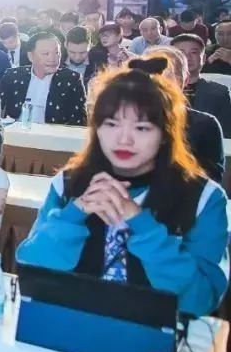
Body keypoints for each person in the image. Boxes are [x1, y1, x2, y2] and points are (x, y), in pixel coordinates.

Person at [15, 63, 228, 318]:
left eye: (141, 128)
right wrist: (74, 214)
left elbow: (200, 300)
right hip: (68, 322)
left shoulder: (203, 197)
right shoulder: (69, 183)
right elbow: (30, 269)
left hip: (158, 331)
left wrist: (141, 224)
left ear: (165, 133)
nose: (124, 139)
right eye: (111, 124)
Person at [141, 47, 224, 182]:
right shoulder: (117, 121)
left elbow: (210, 181)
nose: (159, 81)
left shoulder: (205, 125)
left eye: (168, 74)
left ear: (185, 81)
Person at [0, 30, 87, 125]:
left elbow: (79, 122)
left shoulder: (71, 79)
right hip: (15, 132)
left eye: (57, 53)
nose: (53, 59)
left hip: (53, 133)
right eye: (46, 54)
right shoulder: (13, 75)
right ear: (31, 56)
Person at [171, 33, 231, 138]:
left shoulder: (220, 93)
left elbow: (226, 134)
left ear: (203, 59)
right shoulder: (156, 91)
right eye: (181, 53)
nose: (187, 58)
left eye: (193, 52)